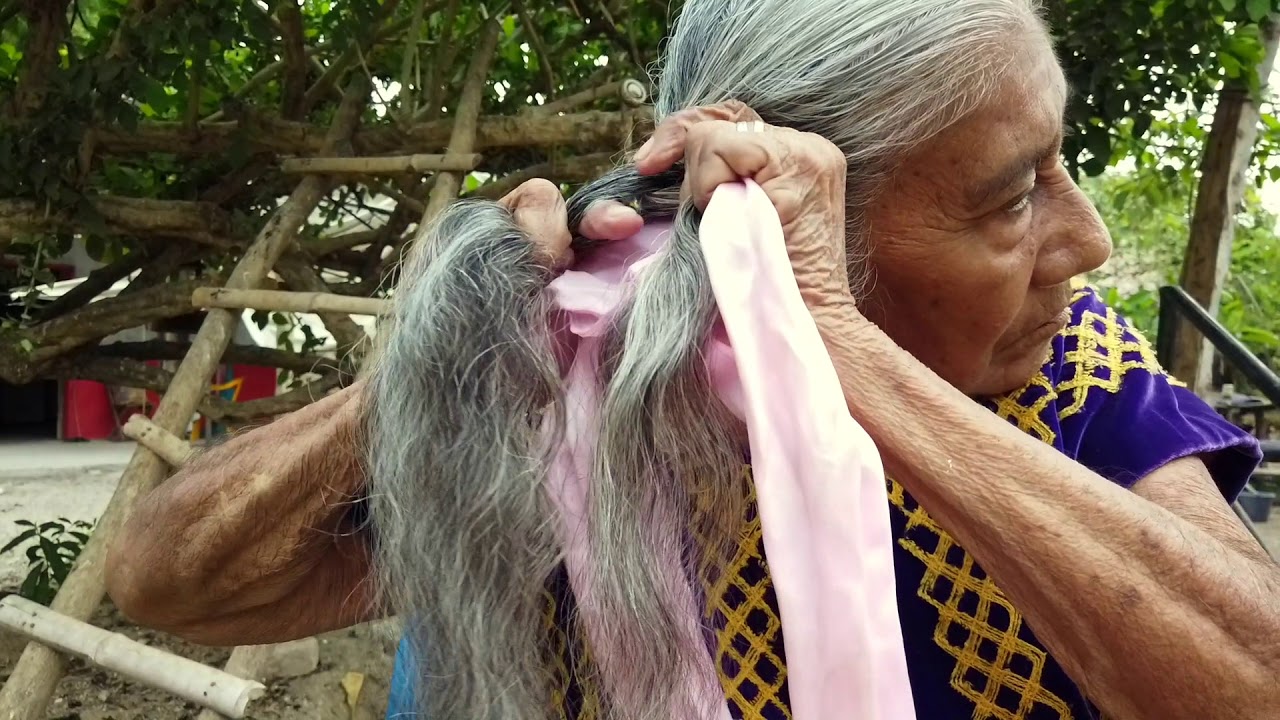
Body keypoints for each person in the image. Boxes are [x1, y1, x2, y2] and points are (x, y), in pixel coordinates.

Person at [104, 0, 1280, 718]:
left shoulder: (1070, 370)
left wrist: (841, 352)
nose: (1085, 240)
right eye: (1012, 196)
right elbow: (169, 585)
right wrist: (453, 350)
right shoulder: (578, 408)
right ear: (785, 212)